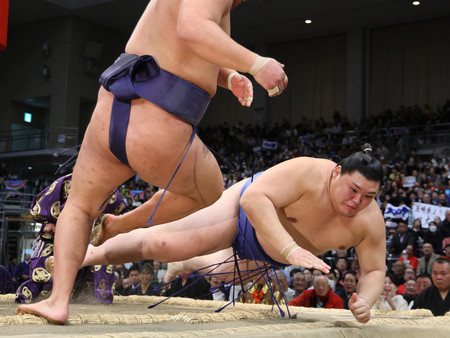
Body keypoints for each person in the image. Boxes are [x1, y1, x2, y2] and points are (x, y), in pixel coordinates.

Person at [16, 0, 287, 325]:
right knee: (209, 191)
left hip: (110, 113)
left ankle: (58, 300)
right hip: (157, 122)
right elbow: (194, 30)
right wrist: (256, 63)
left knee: (78, 205)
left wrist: (228, 77)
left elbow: (178, 46)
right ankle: (120, 226)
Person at [79, 145, 386, 323]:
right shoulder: (307, 171)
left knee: (225, 274)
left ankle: (185, 264)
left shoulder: (369, 222)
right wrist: (290, 249)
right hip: (242, 214)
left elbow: (373, 270)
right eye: (353, 189)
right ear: (336, 173)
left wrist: (366, 302)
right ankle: (87, 254)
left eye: (368, 196)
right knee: (166, 243)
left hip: (268, 252)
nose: (357, 201)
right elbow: (254, 200)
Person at [15, 174, 127, 305]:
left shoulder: (112, 192)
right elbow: (46, 204)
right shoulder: (67, 182)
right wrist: (49, 221)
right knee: (45, 265)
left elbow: (120, 215)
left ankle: (97, 301)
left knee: (100, 260)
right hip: (60, 230)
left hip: (95, 235)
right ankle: (40, 298)